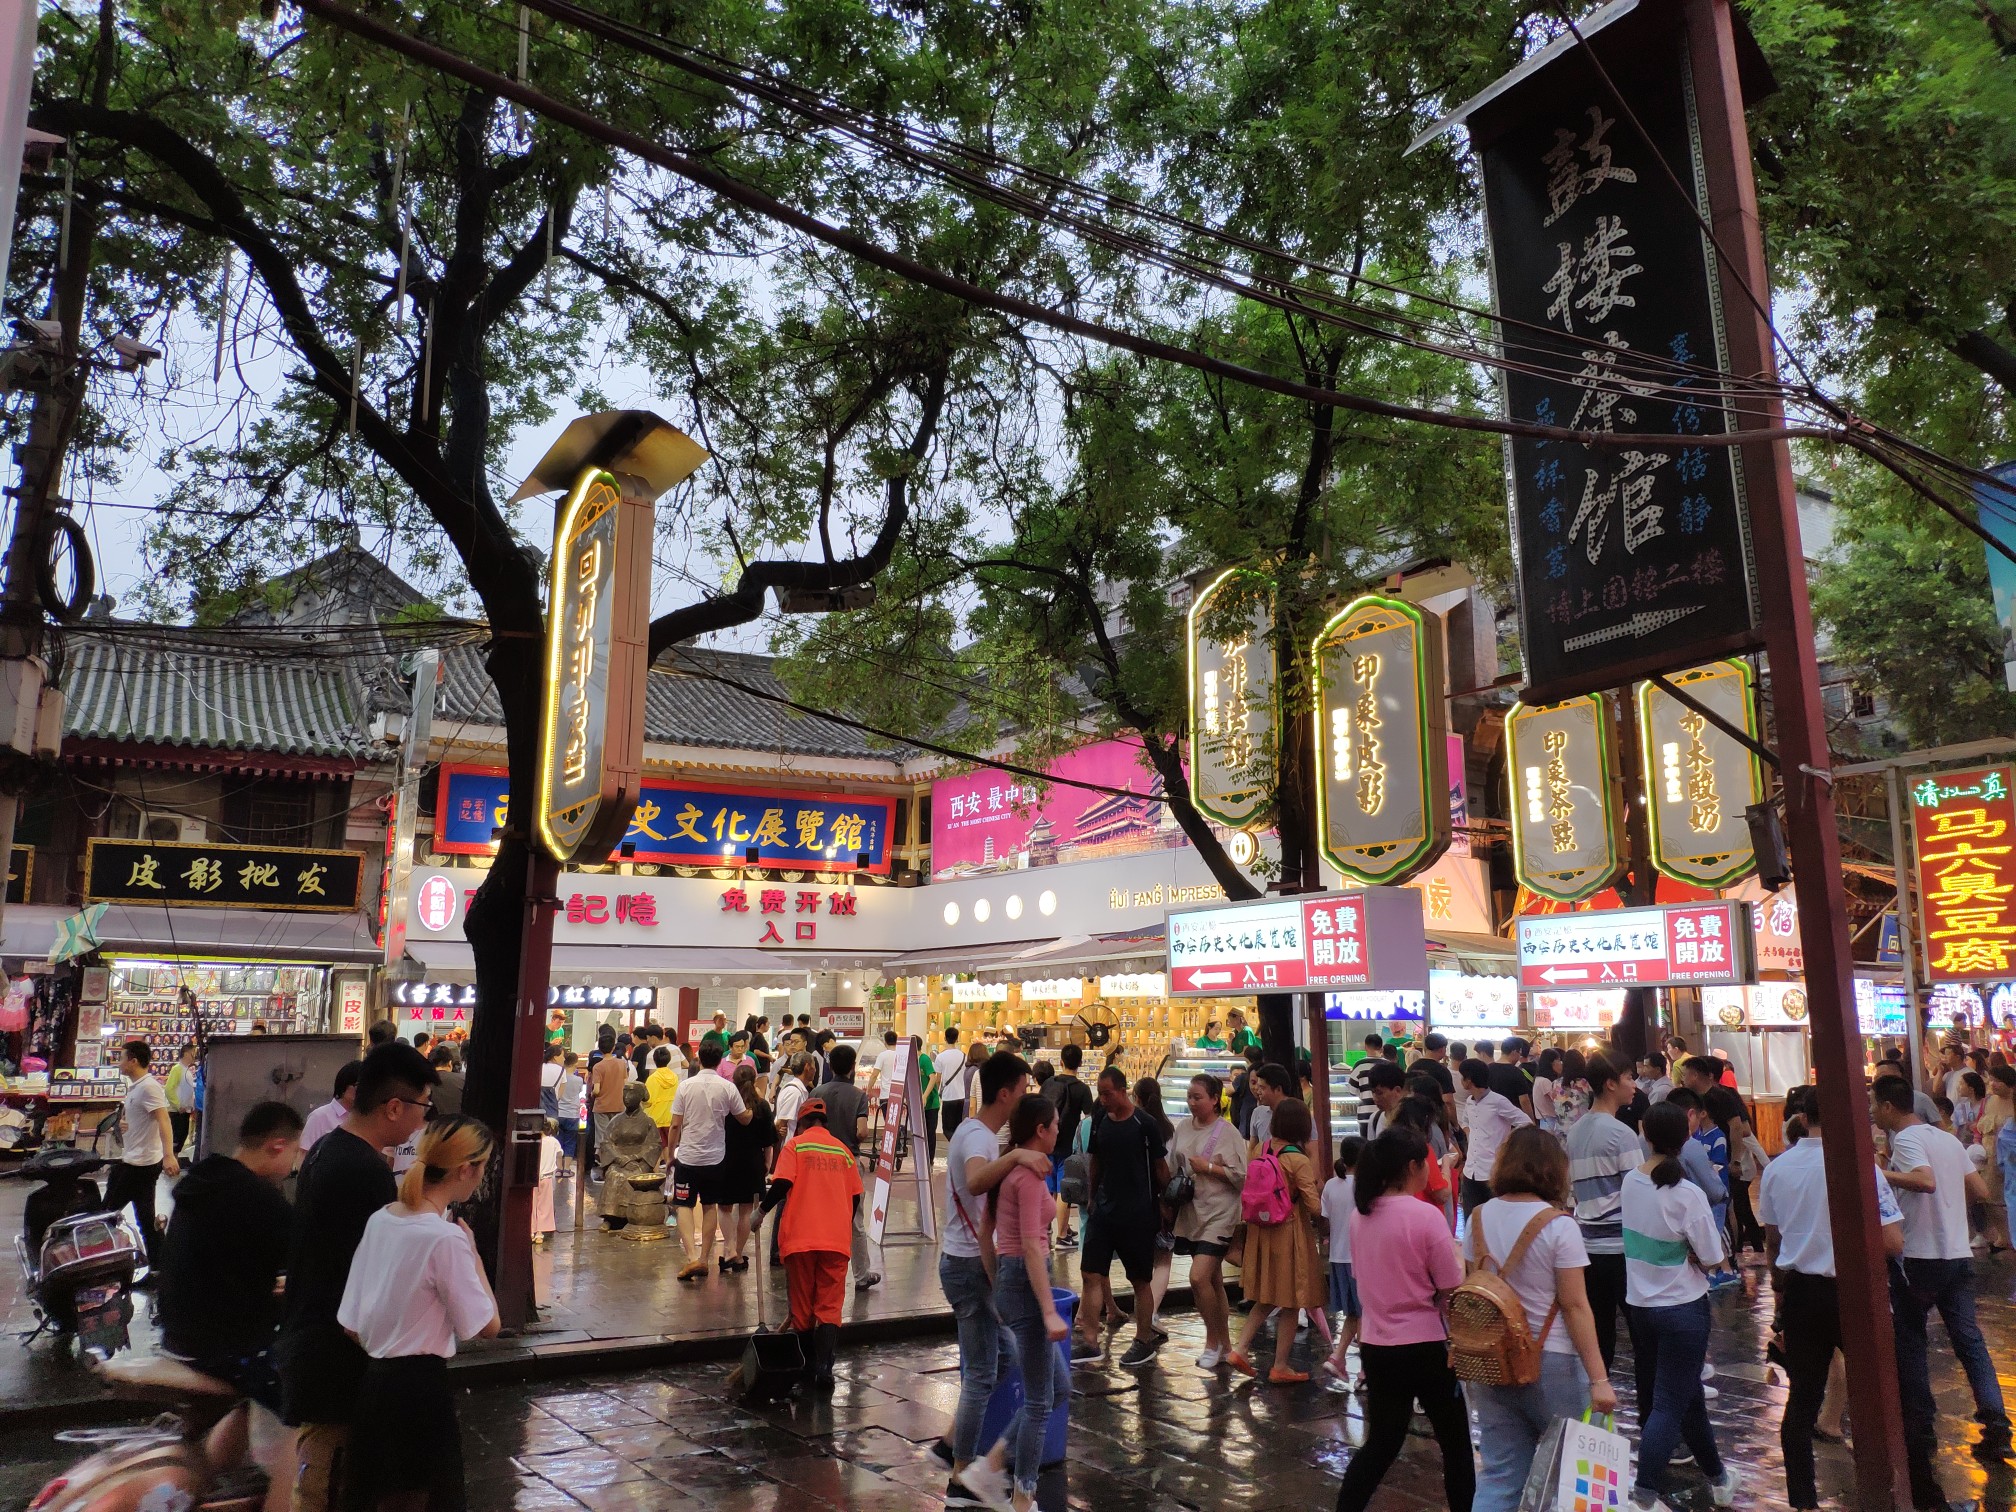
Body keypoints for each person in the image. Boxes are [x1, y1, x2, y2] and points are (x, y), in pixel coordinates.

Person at [278, 1041, 436, 1512]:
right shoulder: (363, 1169)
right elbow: (371, 1274)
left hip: (312, 1338)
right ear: (394, 1107)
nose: (423, 1120)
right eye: (422, 1107)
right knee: (330, 1483)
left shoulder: (329, 1148)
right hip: (337, 1354)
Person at [338, 1116, 501, 1512]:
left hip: (374, 1385)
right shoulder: (445, 1238)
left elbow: (350, 1325)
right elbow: (487, 1326)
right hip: (419, 1392)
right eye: (483, 1168)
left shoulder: (382, 1219)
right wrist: (474, 1255)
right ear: (466, 1169)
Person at [1758, 1086, 1906, 1512]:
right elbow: (1893, 1241)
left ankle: (1803, 1500)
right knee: (1875, 1392)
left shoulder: (1778, 1169)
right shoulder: (1861, 1165)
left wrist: (1780, 1291)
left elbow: (1772, 1239)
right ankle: (1882, 1491)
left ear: (1804, 1118)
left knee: (1802, 1398)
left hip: (1801, 1290)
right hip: (1854, 1289)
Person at [158, 1099, 304, 1511]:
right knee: (301, 1407)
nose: (294, 1166)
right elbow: (310, 1261)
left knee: (249, 1398)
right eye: (295, 1153)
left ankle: (196, 1486)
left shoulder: (205, 1179)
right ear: (277, 1145)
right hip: (222, 1346)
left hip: (179, 1332)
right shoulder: (258, 1200)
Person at [1461, 1127, 1616, 1512]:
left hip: (1492, 1361)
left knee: (1500, 1474)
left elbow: (1474, 1286)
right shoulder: (1560, 1226)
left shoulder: (1477, 1218)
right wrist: (1599, 1379)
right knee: (1566, 1476)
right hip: (1553, 1360)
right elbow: (1575, 1306)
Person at [1873, 1075, 2012, 1491]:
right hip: (1956, 1255)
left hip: (1919, 1256)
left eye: (1875, 1106)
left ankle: (1920, 1425)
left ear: (1889, 1108)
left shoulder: (1907, 1140)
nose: (1873, 1114)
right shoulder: (1949, 1140)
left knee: (1911, 1339)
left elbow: (1925, 1180)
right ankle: (1996, 1424)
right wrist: (1953, 1215)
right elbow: (1980, 1188)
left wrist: (1883, 1176)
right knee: (1969, 1342)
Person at [1334, 1126, 1473, 1512]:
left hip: (1378, 1345)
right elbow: (1450, 1284)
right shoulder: (1425, 1216)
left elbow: (1363, 1276)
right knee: (1455, 1444)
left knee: (1381, 1443)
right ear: (1413, 1166)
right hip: (1426, 1344)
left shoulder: (1362, 1215)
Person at [938, 1051, 1048, 1510]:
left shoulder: (972, 1130)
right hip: (967, 1265)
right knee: (983, 1373)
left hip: (964, 1261)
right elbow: (977, 1180)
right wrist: (1020, 1153)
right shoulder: (979, 1136)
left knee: (999, 1359)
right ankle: (962, 1476)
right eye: (1023, 1089)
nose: (1025, 1098)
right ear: (1006, 1093)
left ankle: (953, 1446)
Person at [1621, 1103, 1738, 1512]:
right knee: (1670, 1405)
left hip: (1641, 1308)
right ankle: (1644, 1494)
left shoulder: (1630, 1183)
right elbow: (1711, 1257)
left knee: (1687, 1398)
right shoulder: (1686, 1192)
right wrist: (1691, 1251)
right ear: (1685, 1139)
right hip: (1683, 1311)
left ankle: (1719, 1477)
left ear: (1644, 1133)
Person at [959, 1094, 1070, 1512]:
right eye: (1055, 1124)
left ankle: (989, 1467)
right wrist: (1046, 1309)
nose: (1060, 1129)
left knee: (1058, 1388)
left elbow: (992, 1232)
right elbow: (1028, 1245)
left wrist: (998, 1280)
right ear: (1040, 1130)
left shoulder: (1020, 1169)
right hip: (1025, 1281)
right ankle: (1023, 1497)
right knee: (1042, 1400)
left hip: (1015, 1281)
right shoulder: (1026, 1177)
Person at [760, 1097, 862, 1390]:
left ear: (802, 1123)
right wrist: (841, 1222)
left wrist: (761, 1212)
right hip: (835, 1240)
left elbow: (781, 1184)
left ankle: (805, 1369)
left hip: (800, 1239)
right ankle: (824, 1369)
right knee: (829, 1306)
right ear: (824, 1123)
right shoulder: (843, 1152)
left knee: (802, 1308)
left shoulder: (796, 1146)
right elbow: (855, 1196)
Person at [1074, 1066, 1170, 1370]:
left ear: (1123, 1090)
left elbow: (1160, 1169)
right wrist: (1092, 1198)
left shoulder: (1145, 1124)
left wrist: (1165, 1205)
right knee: (1091, 1273)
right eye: (1100, 1093)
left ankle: (1143, 1339)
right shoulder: (1100, 1119)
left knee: (1140, 1279)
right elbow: (1095, 1161)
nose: (1102, 1099)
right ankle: (1090, 1340)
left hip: (1138, 1213)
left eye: (1107, 1093)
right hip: (1104, 1210)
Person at [1228, 1097, 1325, 1384]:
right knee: (1293, 1299)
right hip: (1290, 1233)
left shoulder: (1262, 1148)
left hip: (1263, 1232)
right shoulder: (1298, 1159)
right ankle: (1280, 1365)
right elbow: (1315, 1206)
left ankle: (1241, 1348)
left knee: (1267, 1296)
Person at [1565, 1054, 1639, 1371]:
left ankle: (1597, 1411)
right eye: (1629, 1077)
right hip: (1622, 1249)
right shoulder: (1621, 1134)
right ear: (1610, 1084)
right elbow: (1639, 1194)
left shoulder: (1576, 1130)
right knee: (1642, 1335)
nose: (1634, 1085)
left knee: (1600, 1337)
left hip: (1588, 1249)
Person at [1170, 1071, 1247, 1368]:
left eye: (1197, 1097)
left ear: (1215, 1100)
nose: (1191, 1102)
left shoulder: (1228, 1133)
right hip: (1192, 1213)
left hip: (1221, 1213)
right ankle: (1225, 1344)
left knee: (1198, 1277)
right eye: (1189, 1096)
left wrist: (1210, 1168)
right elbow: (1173, 1164)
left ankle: (1212, 1340)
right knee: (1212, 1281)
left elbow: (1243, 1177)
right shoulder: (1182, 1128)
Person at [668, 1039, 755, 1281]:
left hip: (687, 1156)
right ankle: (705, 1258)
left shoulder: (686, 1086)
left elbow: (675, 1124)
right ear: (720, 1061)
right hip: (716, 1157)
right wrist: (754, 1105)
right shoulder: (727, 1088)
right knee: (709, 1205)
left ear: (698, 1058)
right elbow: (744, 1118)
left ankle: (691, 1257)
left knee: (683, 1204)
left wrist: (670, 1153)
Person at [812, 1043, 879, 1290]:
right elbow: (862, 1131)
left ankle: (818, 1272)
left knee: (819, 1215)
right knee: (855, 1220)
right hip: (847, 1161)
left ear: (830, 1066)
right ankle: (861, 1275)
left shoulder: (816, 1092)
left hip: (817, 1161)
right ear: (853, 1067)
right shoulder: (858, 1096)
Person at [110, 1039, 178, 1276]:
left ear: (133, 1061)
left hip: (141, 1164)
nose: (119, 1062)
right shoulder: (137, 1087)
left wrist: (169, 1155)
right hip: (134, 1159)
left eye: (122, 1057)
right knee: (145, 1217)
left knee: (106, 1212)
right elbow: (144, 1119)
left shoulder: (149, 1087)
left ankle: (104, 1261)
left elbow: (164, 1120)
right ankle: (160, 1268)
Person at [1458, 1057, 1530, 1221]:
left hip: (1492, 1171)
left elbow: (1525, 1122)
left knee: (1495, 1220)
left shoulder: (1498, 1101)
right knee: (1471, 1220)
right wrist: (1471, 1135)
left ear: (1469, 1080)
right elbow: (1465, 1121)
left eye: (1462, 1077)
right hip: (1471, 1170)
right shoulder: (1469, 1101)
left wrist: (1506, 1142)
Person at [721, 1062, 778, 1271]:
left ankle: (729, 1248)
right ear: (754, 1081)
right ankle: (738, 1252)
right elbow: (768, 1142)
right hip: (753, 1162)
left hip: (726, 1160)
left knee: (724, 1207)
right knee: (746, 1211)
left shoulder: (726, 1104)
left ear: (733, 1081)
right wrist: (767, 1165)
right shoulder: (762, 1106)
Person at [1318, 1136, 1364, 1388]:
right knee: (1365, 1313)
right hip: (1360, 1259)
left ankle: (1337, 1357)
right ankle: (1365, 1372)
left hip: (1337, 1256)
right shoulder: (1366, 1186)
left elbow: (1324, 1222)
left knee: (1355, 1314)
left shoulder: (1331, 1186)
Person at [1041, 1044, 1096, 1249]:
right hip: (1067, 1145)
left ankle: (1045, 1229)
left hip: (1046, 1143)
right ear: (1081, 1063)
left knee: (1048, 1189)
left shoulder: (1048, 1083)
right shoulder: (1082, 1089)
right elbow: (1090, 1119)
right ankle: (1062, 1235)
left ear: (1061, 1061)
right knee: (1065, 1190)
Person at [590, 1036, 629, 1177]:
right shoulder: (621, 1064)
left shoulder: (598, 1067)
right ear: (613, 1047)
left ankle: (604, 1169)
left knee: (602, 1139)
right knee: (617, 1137)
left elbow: (596, 1090)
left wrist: (593, 1095)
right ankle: (618, 1168)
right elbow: (626, 1084)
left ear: (599, 1049)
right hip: (619, 1105)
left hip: (602, 1107)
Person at [300, 1061, 362, 1152]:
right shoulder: (320, 1116)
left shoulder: (365, 1118)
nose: (362, 1091)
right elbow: (304, 1153)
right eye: (358, 1085)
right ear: (344, 1084)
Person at [1247, 1061, 1293, 1150]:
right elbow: (1252, 1149)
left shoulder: (1299, 1114)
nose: (1258, 1090)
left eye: (1262, 1088)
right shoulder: (1257, 1112)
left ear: (1278, 1089)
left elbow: (1312, 1151)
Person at [165, 1042, 200, 1155]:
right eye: (192, 1053)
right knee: (175, 1141)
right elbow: (169, 1089)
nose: (194, 1056)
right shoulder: (177, 1069)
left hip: (184, 1111)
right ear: (185, 1054)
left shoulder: (186, 1070)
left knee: (180, 1139)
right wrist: (178, 1105)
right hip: (177, 1112)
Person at [937, 1026, 971, 1142]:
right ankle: (958, 1147)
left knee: (947, 1128)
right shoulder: (964, 1056)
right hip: (961, 1096)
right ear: (957, 1039)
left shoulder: (940, 1057)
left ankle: (956, 1146)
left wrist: (938, 1091)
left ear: (945, 1038)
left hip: (948, 1096)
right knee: (958, 1126)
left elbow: (938, 1078)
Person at [644, 1046, 680, 1152]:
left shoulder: (652, 1079)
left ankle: (654, 1169)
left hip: (655, 1118)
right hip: (670, 1117)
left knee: (654, 1151)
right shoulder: (674, 1077)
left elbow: (648, 1100)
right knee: (668, 1148)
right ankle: (669, 1168)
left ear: (654, 1060)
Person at [554, 1051, 584, 1176]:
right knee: (570, 1142)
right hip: (573, 1114)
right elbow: (580, 1092)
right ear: (575, 1063)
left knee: (558, 1140)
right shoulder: (578, 1080)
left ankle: (558, 1168)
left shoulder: (559, 1077)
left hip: (559, 1112)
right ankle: (567, 1169)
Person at [531, 1118, 560, 1243]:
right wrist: (560, 1171)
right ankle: (540, 1233)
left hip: (534, 1176)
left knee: (533, 1204)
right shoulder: (554, 1141)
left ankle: (531, 1230)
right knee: (544, 1205)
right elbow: (559, 1155)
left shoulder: (535, 1141)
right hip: (547, 1177)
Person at [914, 1034, 940, 1168]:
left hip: (931, 1104)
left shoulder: (924, 1059)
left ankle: (929, 1160)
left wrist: (924, 1096)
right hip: (918, 1104)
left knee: (930, 1132)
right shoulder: (911, 1059)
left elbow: (933, 1077)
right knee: (919, 1132)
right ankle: (922, 1159)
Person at [427, 1044, 465, 1119]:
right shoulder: (463, 1079)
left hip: (430, 1127)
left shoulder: (420, 1082)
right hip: (459, 1125)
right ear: (450, 1063)